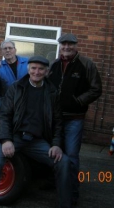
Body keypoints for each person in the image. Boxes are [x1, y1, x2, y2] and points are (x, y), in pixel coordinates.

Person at [0, 56, 72, 208]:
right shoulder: (16, 87)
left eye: (41, 69)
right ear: (28, 69)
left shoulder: (52, 92)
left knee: (64, 162)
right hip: (13, 136)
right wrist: (6, 140)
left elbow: (58, 122)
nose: (37, 72)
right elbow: (3, 115)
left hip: (36, 141)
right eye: (33, 68)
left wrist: (56, 144)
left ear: (46, 72)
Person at [48, 33, 102, 205]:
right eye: (63, 44)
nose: (66, 47)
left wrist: (78, 101)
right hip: (56, 119)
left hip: (74, 119)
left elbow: (96, 89)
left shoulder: (86, 64)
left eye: (70, 44)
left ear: (76, 46)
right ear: (60, 46)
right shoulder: (55, 64)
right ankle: (55, 184)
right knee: (56, 154)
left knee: (71, 156)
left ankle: (72, 192)